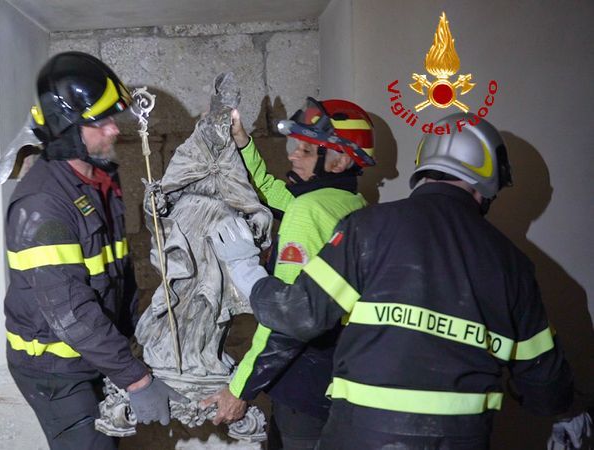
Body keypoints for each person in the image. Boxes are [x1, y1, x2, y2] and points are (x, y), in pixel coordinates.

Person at [211, 112, 574, 449]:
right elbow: (545, 386)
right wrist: (566, 414)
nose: (294, 156)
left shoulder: (368, 228)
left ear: (425, 164)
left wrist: (247, 271)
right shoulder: (513, 266)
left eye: (307, 148)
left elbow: (298, 316)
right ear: (490, 180)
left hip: (358, 434)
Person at [1, 51, 186, 450]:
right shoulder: (42, 206)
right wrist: (137, 379)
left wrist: (136, 340)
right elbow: (70, 312)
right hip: (54, 369)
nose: (114, 131)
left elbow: (119, 273)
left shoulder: (100, 180)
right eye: (99, 122)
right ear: (66, 129)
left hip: (91, 354)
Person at [201, 97, 377, 450]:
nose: (293, 155)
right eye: (294, 145)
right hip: (339, 379)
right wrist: (243, 143)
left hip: (304, 384)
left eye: (306, 150)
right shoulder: (354, 206)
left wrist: (241, 388)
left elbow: (285, 319)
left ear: (340, 159)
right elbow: (267, 189)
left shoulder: (307, 212)